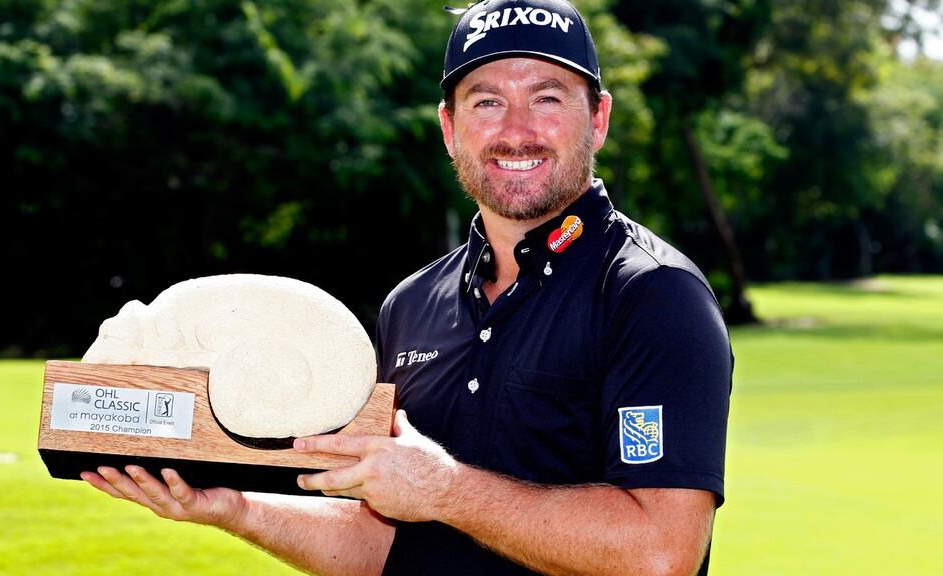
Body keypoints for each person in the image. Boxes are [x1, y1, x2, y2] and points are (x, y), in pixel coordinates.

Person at [81, 1, 733, 574]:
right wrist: (232, 509)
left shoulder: (655, 296)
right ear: (450, 128)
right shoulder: (412, 303)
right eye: (486, 101)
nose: (516, 128)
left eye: (548, 97)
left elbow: (660, 554)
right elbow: (382, 546)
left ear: (598, 119)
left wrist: (445, 489)